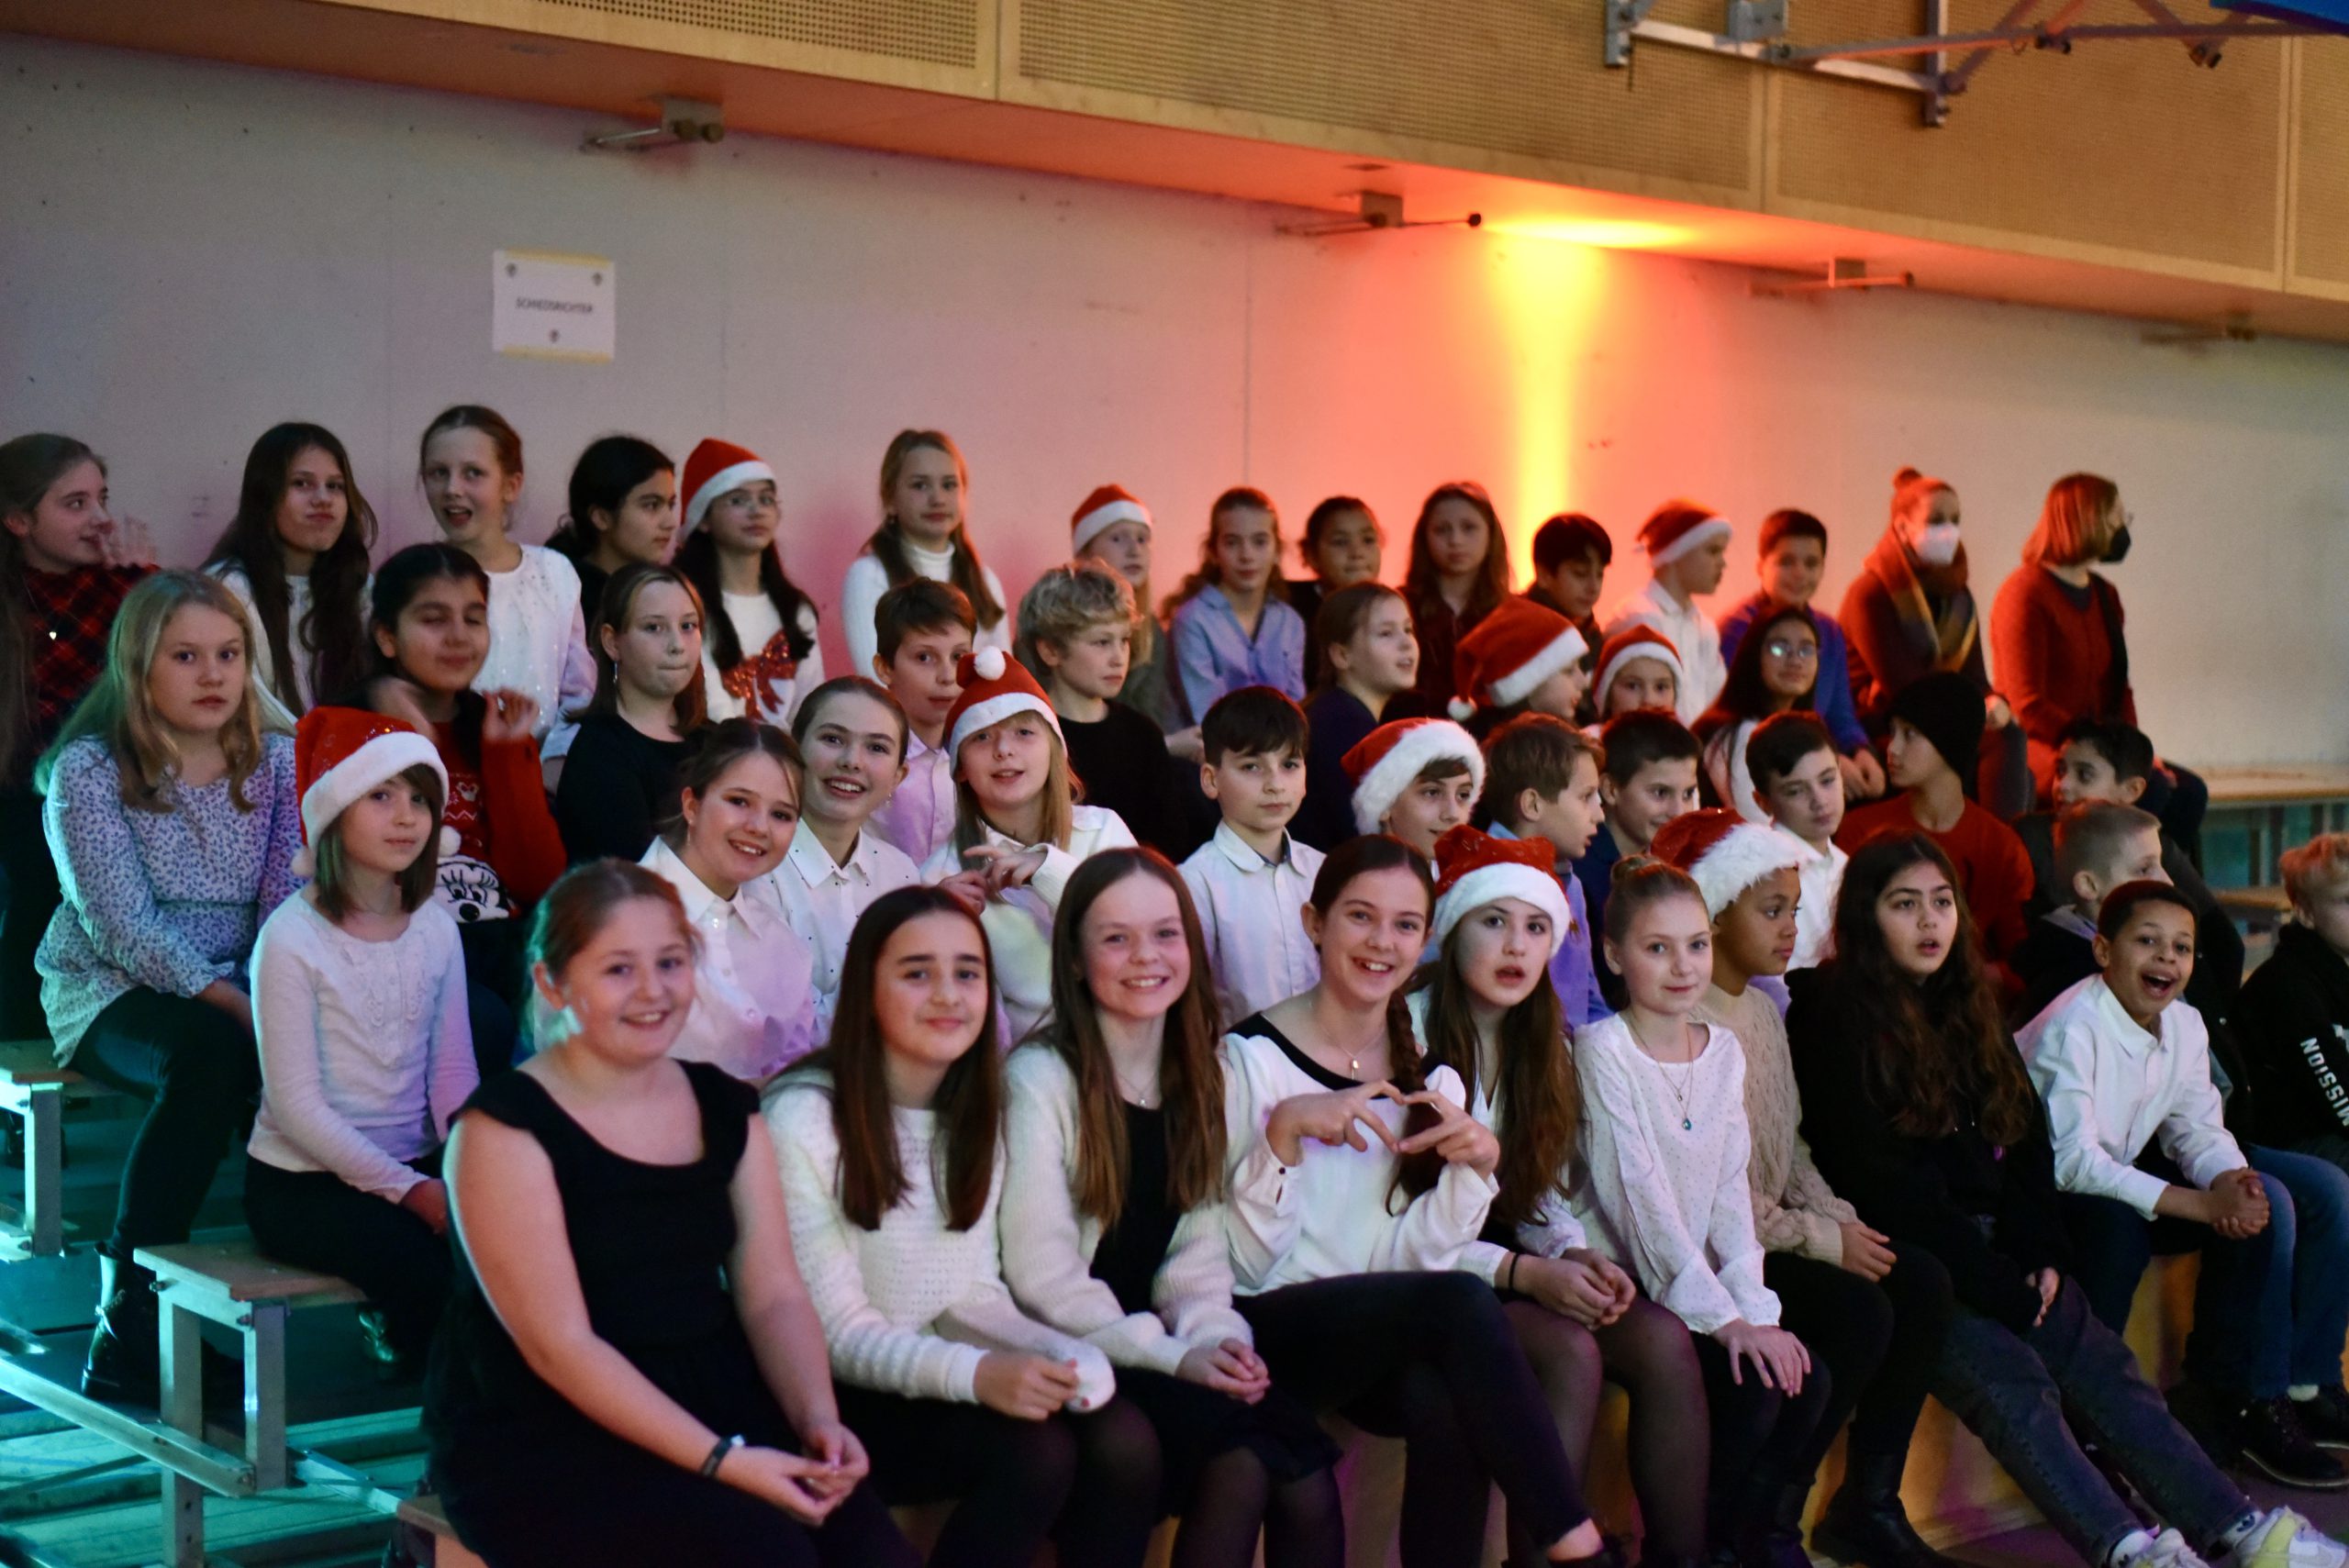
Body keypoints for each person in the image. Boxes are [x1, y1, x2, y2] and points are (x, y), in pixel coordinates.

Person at [1791, 835, 2348, 1568]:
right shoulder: (1831, 1013)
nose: (1929, 921)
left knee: (2108, 1370)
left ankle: (2242, 1529)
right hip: (1914, 1255)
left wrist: (2039, 1252)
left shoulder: (1966, 999)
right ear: (1867, 916)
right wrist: (2001, 1281)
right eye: (1904, 904)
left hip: (1997, 1245)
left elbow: (2026, 1139)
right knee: (2016, 1382)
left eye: (1942, 902)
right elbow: (1883, 1185)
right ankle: (2129, 1549)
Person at [425, 861, 913, 1567]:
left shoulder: (725, 1105)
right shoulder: (499, 1131)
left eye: (671, 962)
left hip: (710, 1388)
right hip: (547, 1425)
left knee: (871, 1551)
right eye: (619, 969)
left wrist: (816, 1418)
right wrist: (725, 1461)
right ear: (551, 983)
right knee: (768, 1555)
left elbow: (773, 1292)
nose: (653, 989)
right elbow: (561, 1346)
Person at [1220, 834, 1611, 1568]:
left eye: (1404, 924)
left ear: (1424, 936)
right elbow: (1239, 1265)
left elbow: (1412, 1257)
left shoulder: (1428, 1075)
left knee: (1447, 1396)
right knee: (1462, 1301)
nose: (1382, 941)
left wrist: (1476, 1171)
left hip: (1371, 1327)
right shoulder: (1248, 1058)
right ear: (1315, 923)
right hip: (1267, 1324)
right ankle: (1576, 1543)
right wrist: (1283, 1136)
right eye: (1360, 916)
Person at [768, 885, 1160, 1567]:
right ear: (866, 990)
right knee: (1037, 1452)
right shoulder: (804, 1118)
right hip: (832, 1397)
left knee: (1120, 1435)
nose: (948, 995)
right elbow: (835, 1333)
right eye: (917, 973)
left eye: (968, 973)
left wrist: (1059, 1356)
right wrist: (976, 1375)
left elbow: (971, 1292)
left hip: (929, 1371)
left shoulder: (973, 1114)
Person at [1004, 850, 1345, 1567]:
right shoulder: (1040, 1078)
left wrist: (1217, 1336)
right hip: (1063, 1339)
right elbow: (1042, 1277)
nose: (1146, 956)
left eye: (1165, 933)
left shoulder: (1206, 1074)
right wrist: (1174, 1355)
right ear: (1075, 961)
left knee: (1300, 1472)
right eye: (1116, 938)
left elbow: (1196, 1250)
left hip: (1157, 1337)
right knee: (1230, 1458)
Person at [1654, 811, 1957, 1568]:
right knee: (1856, 1312)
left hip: (1768, 1228)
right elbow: (1704, 1184)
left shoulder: (1763, 1010)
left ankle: (1861, 1504)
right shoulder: (1684, 1019)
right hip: (1711, 1244)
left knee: (1917, 1278)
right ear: (1713, 915)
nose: (1792, 926)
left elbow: (1789, 1147)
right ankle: (1757, 1519)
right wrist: (1820, 1239)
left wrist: (1840, 1222)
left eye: (1794, 907)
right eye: (1771, 909)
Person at [1411, 827, 1712, 1568]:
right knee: (1570, 1352)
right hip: (1427, 1269)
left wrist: (1571, 1252)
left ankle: (1684, 1559)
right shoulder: (1407, 1030)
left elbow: (1538, 1187)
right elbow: (1402, 1230)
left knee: (1661, 1338)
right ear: (1453, 928)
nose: (1517, 946)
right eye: (1494, 921)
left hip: (1508, 1255)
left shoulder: (1543, 1034)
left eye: (1536, 926)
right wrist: (1532, 1272)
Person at [34, 572, 301, 1402]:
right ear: (138, 666)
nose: (213, 674)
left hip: (244, 980)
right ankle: (130, 1313)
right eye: (186, 656)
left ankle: (352, 1272)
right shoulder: (90, 768)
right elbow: (121, 924)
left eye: (228, 654)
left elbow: (284, 899)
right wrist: (239, 1006)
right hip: (111, 984)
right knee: (211, 1052)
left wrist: (269, 995)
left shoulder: (278, 758)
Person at [2020, 881, 2349, 1486]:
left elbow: (2196, 1127)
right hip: (2034, 1191)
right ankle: (2084, 1417)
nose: (2166, 959)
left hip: (2107, 1176)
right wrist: (2199, 1202)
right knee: (2115, 1232)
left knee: (2263, 1205)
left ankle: (2223, 1396)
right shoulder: (2074, 1026)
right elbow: (2071, 1163)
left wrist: (2232, 1180)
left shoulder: (2186, 1024)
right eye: (2148, 942)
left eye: (2182, 947)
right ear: (2103, 950)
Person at [1576, 858, 1829, 1568]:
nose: (1682, 965)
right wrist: (1728, 1322)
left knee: (1806, 1379)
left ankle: (1736, 1540)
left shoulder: (1722, 1051)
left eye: (1695, 944)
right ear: (1614, 955)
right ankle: (1690, 1549)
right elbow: (1640, 1205)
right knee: (1750, 1388)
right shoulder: (1601, 1051)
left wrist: (1758, 1311)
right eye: (1657, 948)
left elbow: (1728, 1194)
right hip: (1630, 1273)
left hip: (1702, 1276)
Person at [246, 706, 473, 1374]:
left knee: (519, 1238)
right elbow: (297, 1108)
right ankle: (452, 1418)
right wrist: (410, 1191)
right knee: (427, 1267)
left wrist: (471, 1169)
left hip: (415, 1166)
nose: (406, 817)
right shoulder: (289, 939)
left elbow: (452, 1073)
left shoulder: (436, 926)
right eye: (380, 796)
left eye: (419, 800)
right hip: (305, 1185)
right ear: (334, 813)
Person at [355, 544, 566, 1073]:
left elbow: (537, 880)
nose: (458, 637)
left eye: (473, 619)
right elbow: (362, 878)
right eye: (433, 619)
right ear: (386, 637)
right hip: (402, 950)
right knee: (487, 1021)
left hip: (503, 944)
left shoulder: (494, 724)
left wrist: (506, 755)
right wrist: (401, 741)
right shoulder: (347, 728)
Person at [1, 434, 147, 1041]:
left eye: (102, 498)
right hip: (21, 801)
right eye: (76, 503)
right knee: (31, 885)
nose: (102, 518)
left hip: (118, 796)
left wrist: (144, 585)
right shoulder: (13, 603)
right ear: (19, 520)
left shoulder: (120, 589)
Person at [919, 650, 1136, 1041]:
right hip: (1021, 1061)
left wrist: (1049, 870)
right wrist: (937, 921)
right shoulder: (942, 874)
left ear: (1055, 749)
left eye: (1024, 732)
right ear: (961, 768)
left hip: (1126, 1039)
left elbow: (1138, 934)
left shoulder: (1104, 831)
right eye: (982, 737)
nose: (1003, 750)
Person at [1991, 474, 2205, 853]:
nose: (2122, 526)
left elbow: (2119, 687)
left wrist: (2135, 754)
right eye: (2116, 516)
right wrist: (2096, 748)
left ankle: (2157, 881)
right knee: (2153, 791)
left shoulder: (2105, 594)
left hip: (2101, 747)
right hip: (2047, 746)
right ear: (2088, 519)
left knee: (2187, 791)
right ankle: (2116, 874)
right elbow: (2028, 704)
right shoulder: (2025, 592)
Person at [2015, 720, 2242, 1017]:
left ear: (2131, 790)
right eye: (2060, 771)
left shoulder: (2154, 844)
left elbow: (2223, 941)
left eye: (2084, 774)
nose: (2063, 786)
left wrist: (2216, 1023)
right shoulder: (2027, 838)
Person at [638, 721, 819, 1081]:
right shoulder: (614, 915)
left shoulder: (781, 941)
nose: (759, 827)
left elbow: (796, 1071)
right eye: (739, 801)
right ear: (692, 805)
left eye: (781, 815)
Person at [417, 406, 594, 742]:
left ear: (511, 485)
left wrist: (555, 757)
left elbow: (579, 692)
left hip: (539, 765)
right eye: (438, 473)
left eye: (472, 473)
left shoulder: (553, 573)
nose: (452, 488)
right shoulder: (413, 578)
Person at [1837, 673, 2032, 962]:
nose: (1892, 748)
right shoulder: (1861, 830)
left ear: (1949, 742)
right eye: (1892, 733)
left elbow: (2020, 957)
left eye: (1909, 734)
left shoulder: (2001, 847)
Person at [774, 677, 921, 1037]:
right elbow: (784, 1025)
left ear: (898, 776)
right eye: (833, 739)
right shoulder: (757, 868)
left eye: (876, 748)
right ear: (793, 751)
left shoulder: (901, 874)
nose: (852, 761)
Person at [1020, 562, 1193, 861]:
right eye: (1101, 642)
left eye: (1123, 640)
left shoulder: (1142, 736)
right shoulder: (1029, 736)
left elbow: (1169, 849)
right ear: (1050, 650)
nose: (1118, 657)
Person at [205, 422, 377, 719]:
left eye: (335, 486)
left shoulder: (360, 588)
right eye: (302, 483)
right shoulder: (228, 590)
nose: (323, 499)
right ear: (265, 496)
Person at [1179, 687, 1323, 1026]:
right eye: (1252, 766)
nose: (1275, 784)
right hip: (1237, 1054)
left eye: (1289, 765)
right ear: (1211, 779)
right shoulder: (1195, 882)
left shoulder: (1324, 870)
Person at [1718, 509, 1884, 802]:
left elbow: (1840, 715)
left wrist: (1861, 752)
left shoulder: (1829, 631)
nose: (1800, 574)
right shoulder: (1737, 629)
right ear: (1760, 566)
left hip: (1817, 758)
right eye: (1786, 562)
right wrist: (1828, 760)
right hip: (1760, 767)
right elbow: (1744, 718)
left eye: (1811, 563)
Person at [552, 564, 708, 862]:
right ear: (612, 643)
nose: (677, 645)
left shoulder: (713, 741)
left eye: (688, 626)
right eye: (654, 628)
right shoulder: (600, 752)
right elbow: (633, 876)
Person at [674, 439, 825, 730]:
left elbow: (811, 709)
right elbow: (710, 709)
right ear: (703, 519)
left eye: (766, 499)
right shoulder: (684, 604)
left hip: (787, 756)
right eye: (737, 500)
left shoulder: (796, 610)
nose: (756, 511)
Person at [841, 429, 1009, 677]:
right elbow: (877, 681)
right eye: (920, 485)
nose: (937, 498)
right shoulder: (869, 576)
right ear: (890, 499)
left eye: (949, 485)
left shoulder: (984, 580)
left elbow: (1004, 676)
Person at [1479, 715, 1609, 1028]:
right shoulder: (1484, 886)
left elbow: (1588, 996)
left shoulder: (1570, 882)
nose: (1600, 815)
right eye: (1586, 797)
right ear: (1533, 805)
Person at [2239, 835, 2349, 1177]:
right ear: (2305, 912)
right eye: (2348, 900)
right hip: (2293, 1141)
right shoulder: (2287, 984)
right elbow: (2335, 1091)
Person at [2009, 804, 2171, 1026]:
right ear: (2088, 885)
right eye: (2144, 870)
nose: (2167, 882)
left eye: (2161, 865)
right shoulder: (2072, 983)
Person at [1297, 583, 1428, 851]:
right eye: (1386, 633)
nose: (1406, 643)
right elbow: (1361, 836)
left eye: (1408, 629)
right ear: (1342, 655)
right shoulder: (1340, 725)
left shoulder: (1337, 713)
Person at [1572, 710, 1701, 962]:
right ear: (1611, 789)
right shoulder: (1583, 872)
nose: (1679, 811)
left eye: (1688, 794)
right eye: (1660, 793)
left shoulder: (1678, 863)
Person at [1166, 488, 1305, 721]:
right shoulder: (1193, 620)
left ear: (1277, 550)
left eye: (1260, 542)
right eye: (1232, 543)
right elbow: (1206, 716)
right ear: (1213, 552)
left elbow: (1295, 710)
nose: (1246, 555)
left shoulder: (1290, 622)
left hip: (1280, 742)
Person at [865, 579, 974, 865]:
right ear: (885, 668)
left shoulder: (978, 751)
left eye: (958, 656)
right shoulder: (865, 757)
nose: (947, 676)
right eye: (925, 657)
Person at [1070, 484, 1185, 739]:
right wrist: (1170, 745)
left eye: (1142, 539)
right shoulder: (1056, 621)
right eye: (1118, 539)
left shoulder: (1151, 630)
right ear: (1086, 552)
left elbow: (1153, 715)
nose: (1134, 550)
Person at [1603, 502, 1731, 726]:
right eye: (1712, 551)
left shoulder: (1704, 626)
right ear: (1677, 552)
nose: (1722, 563)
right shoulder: (1639, 617)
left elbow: (1716, 702)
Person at [1695, 604, 1822, 824]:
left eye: (1806, 650)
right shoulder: (1736, 732)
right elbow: (1758, 824)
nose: (1795, 660)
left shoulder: (1804, 731)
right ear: (1754, 655)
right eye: (1779, 648)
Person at [1745, 714, 1848, 973]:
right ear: (1762, 802)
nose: (1819, 801)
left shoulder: (1846, 863)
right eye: (1795, 791)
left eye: (1827, 780)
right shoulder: (1763, 875)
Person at [542, 434, 676, 624]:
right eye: (651, 505)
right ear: (601, 518)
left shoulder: (665, 592)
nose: (670, 522)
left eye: (671, 504)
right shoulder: (562, 598)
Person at [1405, 481, 1513, 714]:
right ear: (1425, 537)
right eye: (1442, 530)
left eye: (1469, 528)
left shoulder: (1510, 614)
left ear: (1491, 535)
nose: (1455, 540)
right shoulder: (1401, 606)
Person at [1339, 717, 1485, 860]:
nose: (1453, 814)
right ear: (1384, 804)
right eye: (1432, 792)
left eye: (1463, 795)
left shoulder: (1479, 873)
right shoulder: (1355, 875)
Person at [1449, 596, 1590, 741]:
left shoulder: (1575, 735)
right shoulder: (1490, 747)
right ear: (1527, 684)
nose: (1584, 682)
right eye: (1568, 671)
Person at [1288, 495, 1384, 693]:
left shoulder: (1392, 609)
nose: (1357, 553)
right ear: (1310, 554)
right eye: (1340, 542)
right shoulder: (1290, 608)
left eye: (1368, 540)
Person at [1521, 512, 1610, 685]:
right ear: (1544, 575)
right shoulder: (1519, 631)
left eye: (1600, 575)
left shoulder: (1591, 634)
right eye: (1580, 574)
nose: (1593, 587)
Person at [1590, 626, 1685, 724]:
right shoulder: (1591, 734)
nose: (1649, 700)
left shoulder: (1683, 734)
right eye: (1632, 686)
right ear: (1607, 694)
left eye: (1660, 687)